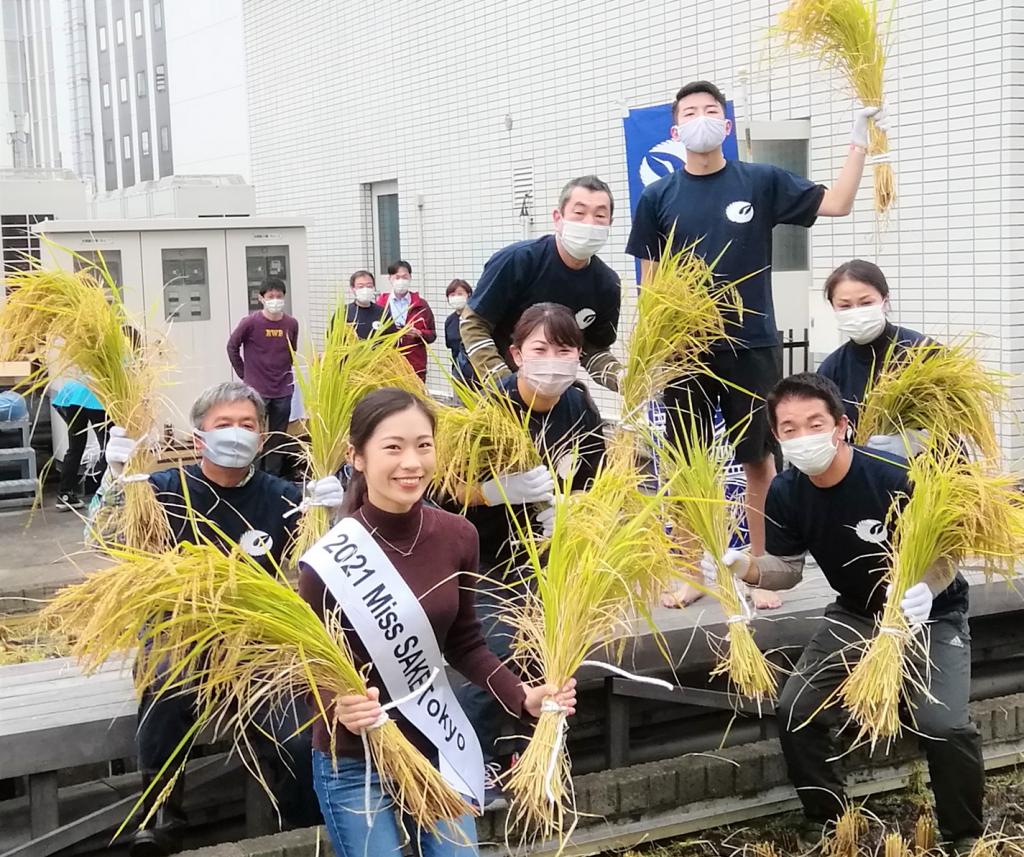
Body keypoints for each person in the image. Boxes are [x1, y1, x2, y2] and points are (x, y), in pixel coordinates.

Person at [628, 80, 888, 610]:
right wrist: (651, 352)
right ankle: (688, 573)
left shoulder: (760, 181)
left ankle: (762, 572)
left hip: (751, 344)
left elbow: (836, 203)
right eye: (691, 112)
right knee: (684, 464)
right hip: (685, 351)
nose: (702, 118)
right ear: (677, 131)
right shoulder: (658, 196)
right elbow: (651, 283)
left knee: (758, 461)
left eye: (711, 111)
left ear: (725, 125)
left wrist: (860, 139)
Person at [705, 373, 980, 855]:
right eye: (789, 428)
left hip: (932, 615)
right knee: (796, 707)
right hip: (856, 612)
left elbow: (948, 551)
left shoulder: (893, 476)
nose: (803, 435)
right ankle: (827, 818)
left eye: (815, 422)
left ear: (841, 426)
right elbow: (786, 570)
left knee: (944, 725)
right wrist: (743, 565)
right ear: (777, 436)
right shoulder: (788, 490)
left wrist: (924, 587)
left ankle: (964, 833)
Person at [298, 387, 577, 857]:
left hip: (437, 741)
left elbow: (466, 642)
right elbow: (308, 663)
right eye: (393, 447)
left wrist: (522, 695)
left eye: (423, 445)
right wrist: (338, 708)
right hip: (353, 757)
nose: (412, 462)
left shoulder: (457, 535)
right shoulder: (327, 559)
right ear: (357, 457)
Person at [97, 382, 343, 856]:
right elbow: (108, 544)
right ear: (198, 438)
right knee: (166, 686)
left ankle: (300, 826)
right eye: (223, 425)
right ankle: (161, 815)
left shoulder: (285, 497)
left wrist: (332, 518)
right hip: (179, 631)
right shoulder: (162, 491)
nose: (236, 434)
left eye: (247, 425)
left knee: (296, 731)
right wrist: (114, 483)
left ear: (263, 437)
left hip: (260, 638)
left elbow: (323, 568)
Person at [451, 302, 606, 804]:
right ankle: (467, 771)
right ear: (516, 354)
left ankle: (531, 763)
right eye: (541, 349)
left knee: (550, 663)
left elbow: (596, 483)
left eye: (565, 350)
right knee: (497, 656)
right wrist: (498, 491)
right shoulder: (488, 410)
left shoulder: (578, 407)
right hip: (489, 560)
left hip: (551, 560)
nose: (553, 361)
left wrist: (571, 509)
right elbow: (445, 490)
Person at [460, 175, 623, 390]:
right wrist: (504, 384)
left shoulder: (607, 285)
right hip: (485, 384)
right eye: (579, 213)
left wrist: (623, 378)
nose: (590, 223)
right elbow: (473, 324)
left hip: (550, 392)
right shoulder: (517, 261)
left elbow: (592, 347)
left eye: (600, 215)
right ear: (558, 218)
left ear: (610, 224)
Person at [816, 259, 930, 454]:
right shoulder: (831, 368)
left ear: (884, 300)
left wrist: (918, 441)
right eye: (845, 306)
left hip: (933, 474)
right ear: (833, 307)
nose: (857, 313)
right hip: (866, 475)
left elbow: (962, 417)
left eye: (866, 303)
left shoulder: (923, 351)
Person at [226, 277, 299, 476]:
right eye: (270, 296)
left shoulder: (291, 323)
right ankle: (252, 474)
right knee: (253, 433)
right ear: (261, 298)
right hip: (257, 389)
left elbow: (293, 351)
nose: (275, 300)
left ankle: (272, 477)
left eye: (279, 296)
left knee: (277, 436)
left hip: (283, 389)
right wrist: (244, 374)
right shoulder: (251, 322)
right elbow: (232, 347)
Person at [52, 378, 109, 510]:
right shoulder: (118, 362)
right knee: (107, 447)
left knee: (75, 447)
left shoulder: (86, 367)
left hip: (72, 397)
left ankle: (64, 494)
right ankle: (107, 494)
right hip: (96, 398)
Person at [377, 260, 436, 381]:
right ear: (390, 278)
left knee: (415, 398)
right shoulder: (381, 304)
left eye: (404, 277)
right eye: (397, 277)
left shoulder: (421, 304)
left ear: (410, 277)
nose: (401, 281)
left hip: (414, 365)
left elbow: (432, 334)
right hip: (388, 365)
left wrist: (419, 334)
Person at [339, 269, 388, 339]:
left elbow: (392, 338)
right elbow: (333, 337)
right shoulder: (344, 312)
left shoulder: (382, 312)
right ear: (353, 288)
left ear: (374, 288)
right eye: (360, 287)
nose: (365, 290)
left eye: (369, 286)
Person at [443, 278, 475, 385]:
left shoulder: (478, 318)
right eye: (452, 295)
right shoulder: (450, 321)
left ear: (469, 295)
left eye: (460, 294)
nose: (456, 297)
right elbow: (450, 345)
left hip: (479, 372)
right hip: (458, 373)